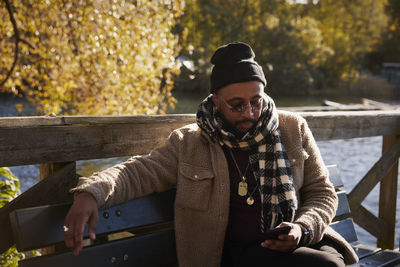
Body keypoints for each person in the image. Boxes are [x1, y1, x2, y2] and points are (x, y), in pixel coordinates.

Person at [63, 42, 358, 267]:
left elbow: (322, 192)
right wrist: (90, 193)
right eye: (237, 105)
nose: (250, 113)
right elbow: (138, 172)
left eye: (256, 101)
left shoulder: (292, 128)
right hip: (235, 255)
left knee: (333, 260)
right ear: (216, 101)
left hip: (298, 240)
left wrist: (302, 228)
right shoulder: (191, 142)